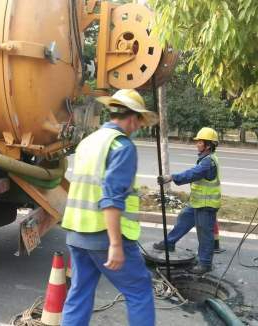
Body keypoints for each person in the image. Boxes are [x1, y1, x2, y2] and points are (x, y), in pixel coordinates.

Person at [61, 89, 158, 326]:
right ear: (132, 117)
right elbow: (111, 199)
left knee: (79, 292)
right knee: (139, 291)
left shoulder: (89, 142)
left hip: (76, 233)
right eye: (139, 122)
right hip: (104, 237)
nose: (137, 127)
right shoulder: (121, 147)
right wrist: (116, 245)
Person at [153, 127, 221, 274]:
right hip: (197, 203)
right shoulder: (204, 159)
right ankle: (169, 243)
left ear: (208, 145)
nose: (197, 144)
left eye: (200, 142)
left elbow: (192, 174)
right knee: (184, 217)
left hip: (206, 205)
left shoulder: (208, 162)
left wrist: (171, 177)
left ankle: (205, 264)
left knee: (204, 234)